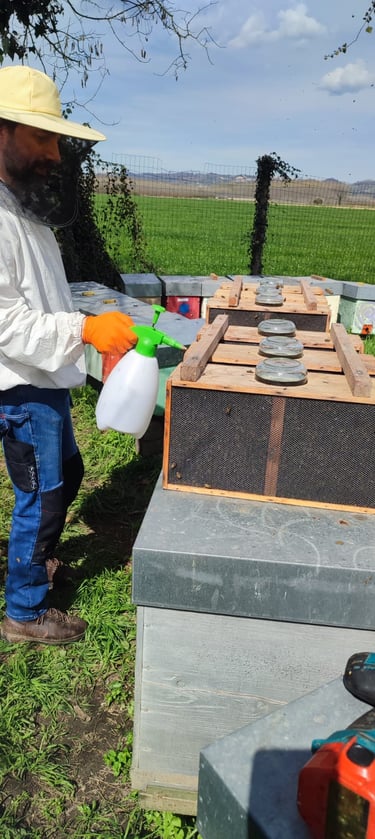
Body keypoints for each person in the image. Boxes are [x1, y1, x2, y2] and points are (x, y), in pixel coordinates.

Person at [0, 65, 138, 645]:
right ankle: (25, 611)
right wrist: (85, 328)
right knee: (44, 493)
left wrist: (89, 325)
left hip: (43, 377)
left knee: (66, 474)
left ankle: (35, 560)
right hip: (21, 384)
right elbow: (5, 322)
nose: (55, 154)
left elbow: (36, 293)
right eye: (42, 137)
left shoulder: (19, 206)